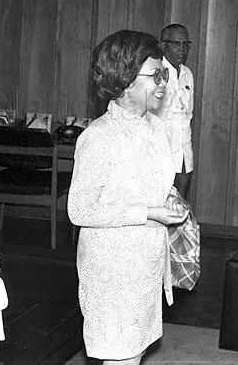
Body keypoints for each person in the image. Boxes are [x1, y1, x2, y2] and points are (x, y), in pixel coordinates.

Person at [68, 30, 189, 364]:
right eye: (155, 75)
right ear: (124, 80)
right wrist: (147, 211)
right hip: (112, 267)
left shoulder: (156, 127)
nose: (163, 84)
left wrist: (170, 200)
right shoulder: (99, 136)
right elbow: (80, 209)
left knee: (134, 351)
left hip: (146, 261)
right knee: (120, 355)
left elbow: (154, 184)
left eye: (164, 75)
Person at [156, 24, 195, 200]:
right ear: (164, 45)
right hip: (161, 149)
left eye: (185, 44)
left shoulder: (187, 74)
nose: (182, 49)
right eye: (176, 44)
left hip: (183, 149)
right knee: (162, 201)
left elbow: (188, 114)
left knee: (181, 203)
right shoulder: (157, 71)